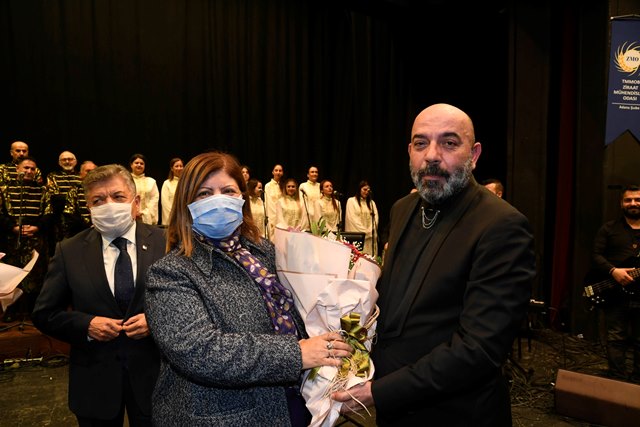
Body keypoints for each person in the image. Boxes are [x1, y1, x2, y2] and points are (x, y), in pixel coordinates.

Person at [332, 103, 536, 426]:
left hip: (457, 415)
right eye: (421, 143)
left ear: (474, 154)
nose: (431, 155)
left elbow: (478, 350)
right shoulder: (402, 209)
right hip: (394, 412)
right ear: (409, 151)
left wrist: (379, 392)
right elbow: (392, 309)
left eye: (449, 143)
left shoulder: (502, 225)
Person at [143, 151, 351, 426]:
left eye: (228, 191)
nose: (218, 200)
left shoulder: (266, 251)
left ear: (242, 198)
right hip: (222, 417)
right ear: (186, 203)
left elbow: (300, 312)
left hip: (293, 401)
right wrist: (297, 353)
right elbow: (201, 351)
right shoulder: (169, 272)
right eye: (204, 194)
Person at [32, 164, 165, 426]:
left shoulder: (166, 242)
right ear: (89, 208)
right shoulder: (69, 251)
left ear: (136, 202)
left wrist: (156, 321)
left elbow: (190, 302)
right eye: (98, 200)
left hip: (156, 379)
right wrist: (87, 325)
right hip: (95, 382)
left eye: (118, 196)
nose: (109, 205)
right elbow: (44, 313)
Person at [591, 184, 640, 382]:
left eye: (637, 199)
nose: (633, 203)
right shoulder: (609, 229)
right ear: (621, 203)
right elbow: (595, 255)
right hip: (615, 293)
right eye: (628, 200)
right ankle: (617, 380)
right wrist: (613, 271)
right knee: (616, 338)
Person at [0, 156, 48, 322]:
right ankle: (11, 310)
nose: (29, 171)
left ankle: (34, 312)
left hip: (35, 239)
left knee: (36, 276)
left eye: (32, 169)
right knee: (12, 276)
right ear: (17, 170)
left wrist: (37, 227)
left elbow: (48, 213)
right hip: (11, 240)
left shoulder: (42, 190)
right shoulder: (4, 189)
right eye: (26, 168)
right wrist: (12, 228)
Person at [44, 151, 82, 250]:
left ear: (75, 161)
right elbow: (54, 197)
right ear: (59, 163)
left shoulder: (81, 176)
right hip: (60, 219)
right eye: (64, 160)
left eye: (70, 159)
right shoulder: (53, 176)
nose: (67, 161)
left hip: (80, 219)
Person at [63, 160, 97, 236]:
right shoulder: (74, 191)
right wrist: (87, 227)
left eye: (93, 171)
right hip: (80, 232)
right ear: (80, 174)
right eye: (88, 171)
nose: (91, 173)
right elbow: (70, 213)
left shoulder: (103, 190)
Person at [345, 180, 378, 256]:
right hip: (358, 237)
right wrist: (364, 232)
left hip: (370, 237)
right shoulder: (351, 201)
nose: (366, 192)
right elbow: (352, 219)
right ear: (359, 189)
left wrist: (370, 230)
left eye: (368, 190)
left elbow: (375, 218)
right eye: (364, 190)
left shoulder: (371, 203)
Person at [129, 154, 159, 225]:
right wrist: (134, 211)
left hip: (146, 219)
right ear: (131, 165)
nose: (139, 165)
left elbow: (154, 199)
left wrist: (144, 213)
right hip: (129, 216)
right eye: (136, 163)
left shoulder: (151, 181)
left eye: (142, 163)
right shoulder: (126, 181)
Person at [160, 157, 183, 225]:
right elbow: (165, 204)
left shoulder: (186, 183)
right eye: (176, 166)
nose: (179, 168)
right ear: (172, 169)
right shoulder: (167, 183)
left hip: (185, 219)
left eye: (181, 166)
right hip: (172, 219)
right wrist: (174, 217)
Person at [264, 164, 284, 239]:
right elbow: (268, 202)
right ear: (273, 172)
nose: (278, 172)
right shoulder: (268, 186)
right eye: (276, 170)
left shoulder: (284, 185)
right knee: (273, 236)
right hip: (272, 215)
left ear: (282, 173)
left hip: (283, 214)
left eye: (280, 171)